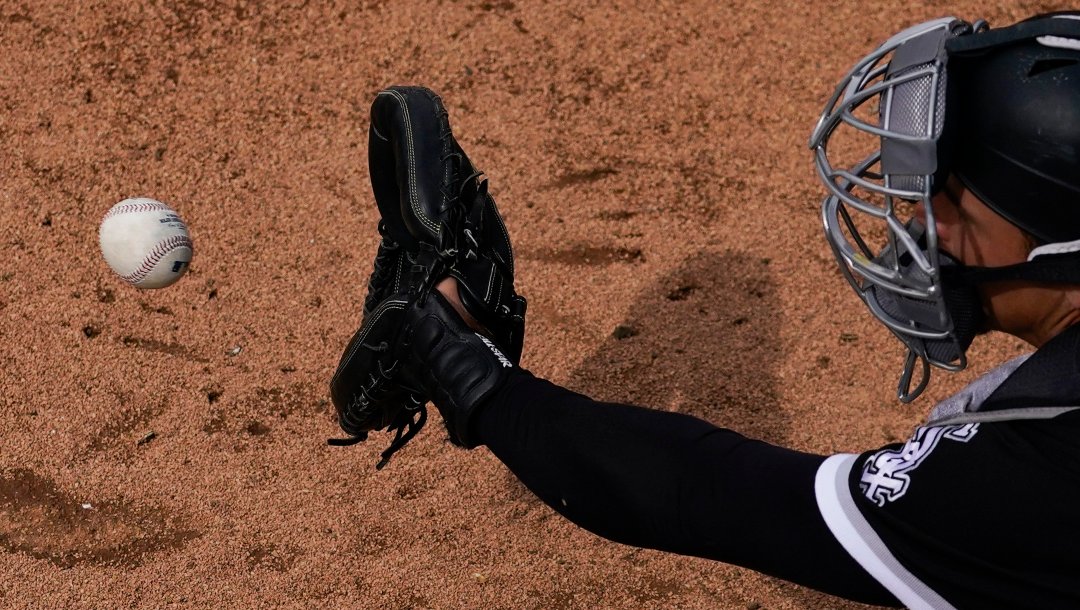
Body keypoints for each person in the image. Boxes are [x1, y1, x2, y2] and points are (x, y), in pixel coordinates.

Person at [332, 12, 1080, 609]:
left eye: (955, 196)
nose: (923, 221)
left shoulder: (1033, 470)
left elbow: (721, 497)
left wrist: (466, 369)